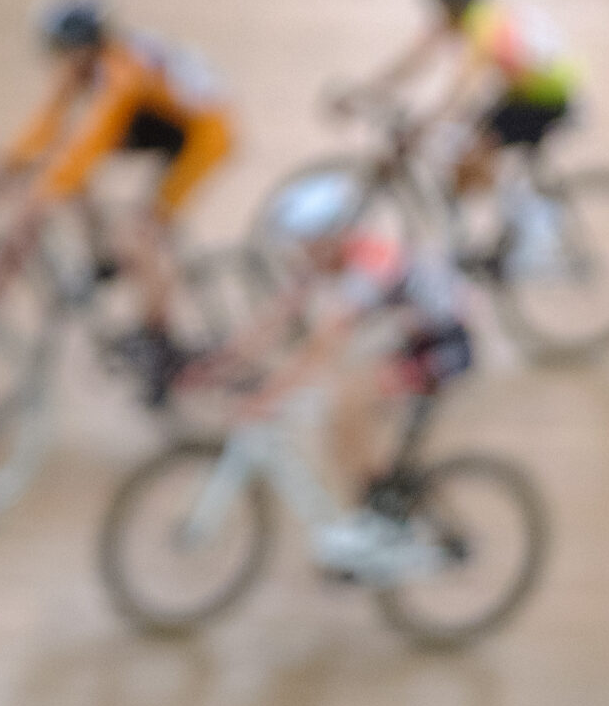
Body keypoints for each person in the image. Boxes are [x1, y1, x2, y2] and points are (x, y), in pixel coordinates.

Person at [202, 171, 474, 582]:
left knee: (350, 400)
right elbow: (275, 318)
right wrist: (215, 365)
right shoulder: (325, 257)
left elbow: (323, 344)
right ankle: (375, 511)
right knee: (342, 411)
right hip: (412, 336)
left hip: (447, 342)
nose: (299, 255)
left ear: (329, 237)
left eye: (304, 244)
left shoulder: (369, 263)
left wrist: (266, 398)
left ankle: (379, 523)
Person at [0, 0, 234, 406]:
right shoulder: (87, 65)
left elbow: (94, 138)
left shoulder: (123, 71)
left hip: (205, 136)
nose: (56, 60)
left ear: (83, 44)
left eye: (60, 49)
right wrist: (7, 163)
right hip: (161, 121)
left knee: (136, 237)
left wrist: (43, 193)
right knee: (65, 159)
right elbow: (48, 123)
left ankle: (162, 347)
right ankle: (100, 251)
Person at [328, 0, 578, 275]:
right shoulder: (461, 17)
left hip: (545, 100)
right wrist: (363, 92)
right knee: (462, 163)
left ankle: (532, 233)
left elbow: (465, 87)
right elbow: (411, 64)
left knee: (476, 153)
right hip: (523, 92)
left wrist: (427, 122)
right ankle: (477, 239)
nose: (439, 3)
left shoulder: (483, 25)